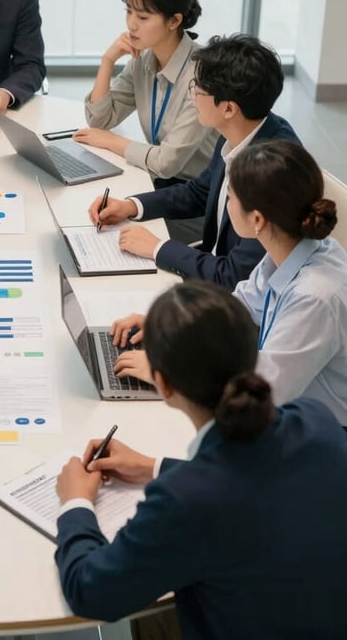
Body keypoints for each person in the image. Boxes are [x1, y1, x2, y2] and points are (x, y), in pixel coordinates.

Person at [55, 280, 347, 640]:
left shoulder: (183, 501)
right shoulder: (316, 421)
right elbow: (252, 483)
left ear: (162, 384)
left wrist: (76, 503)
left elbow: (90, 592)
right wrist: (154, 467)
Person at [112, 141, 347, 428]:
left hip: (320, 433)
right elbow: (236, 309)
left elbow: (265, 391)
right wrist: (169, 325)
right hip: (288, 406)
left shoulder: (316, 297)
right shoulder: (286, 249)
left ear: (257, 219)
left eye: (230, 198)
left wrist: (170, 374)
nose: (226, 203)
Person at [87, 34, 299, 288]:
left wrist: (158, 248)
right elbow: (201, 192)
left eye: (198, 89)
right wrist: (131, 206)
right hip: (213, 265)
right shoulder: (238, 129)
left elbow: (233, 276)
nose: (192, 96)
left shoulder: (273, 173)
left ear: (229, 109)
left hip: (238, 301)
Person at [74, 0, 216, 188]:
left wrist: (113, 141)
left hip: (197, 196)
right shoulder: (142, 61)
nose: (131, 25)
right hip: (160, 181)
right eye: (128, 12)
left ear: (174, 21)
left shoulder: (202, 75)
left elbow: (167, 163)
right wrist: (107, 61)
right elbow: (99, 121)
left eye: (143, 17)